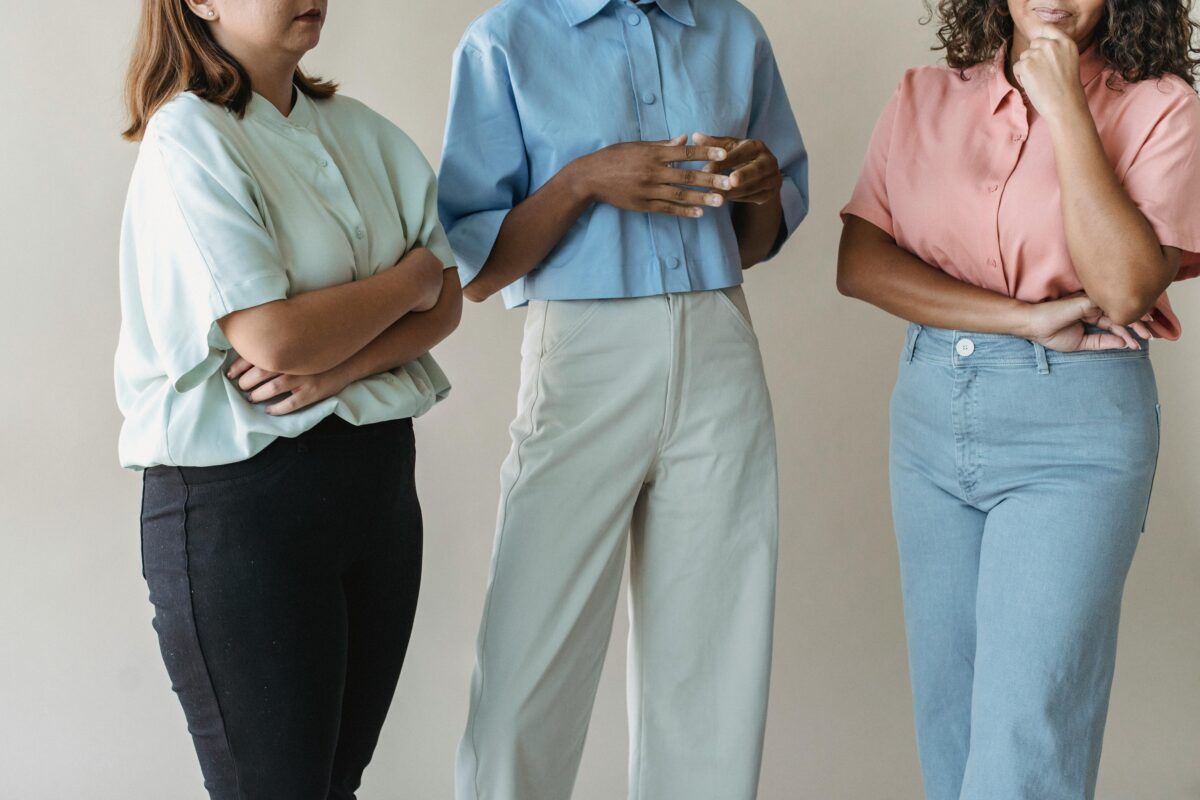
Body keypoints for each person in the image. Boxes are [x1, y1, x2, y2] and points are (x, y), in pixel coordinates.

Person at [437, 1, 808, 798]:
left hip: (718, 339)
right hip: (583, 351)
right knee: (529, 660)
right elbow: (476, 264)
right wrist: (584, 180)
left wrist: (764, 186)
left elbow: (753, 239)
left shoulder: (731, 31)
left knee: (712, 663)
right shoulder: (504, 40)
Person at [837, 1, 1200, 797]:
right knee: (952, 723)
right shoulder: (921, 96)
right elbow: (860, 262)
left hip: (1074, 434)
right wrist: (1025, 318)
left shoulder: (1161, 105)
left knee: (1026, 739)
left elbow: (1126, 285)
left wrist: (1066, 102)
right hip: (930, 419)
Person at [115, 1, 461, 796]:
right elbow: (275, 342)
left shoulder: (364, 131)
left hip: (377, 488)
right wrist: (404, 279)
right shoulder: (188, 136)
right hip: (243, 509)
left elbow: (445, 302)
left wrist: (342, 367)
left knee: (333, 785)